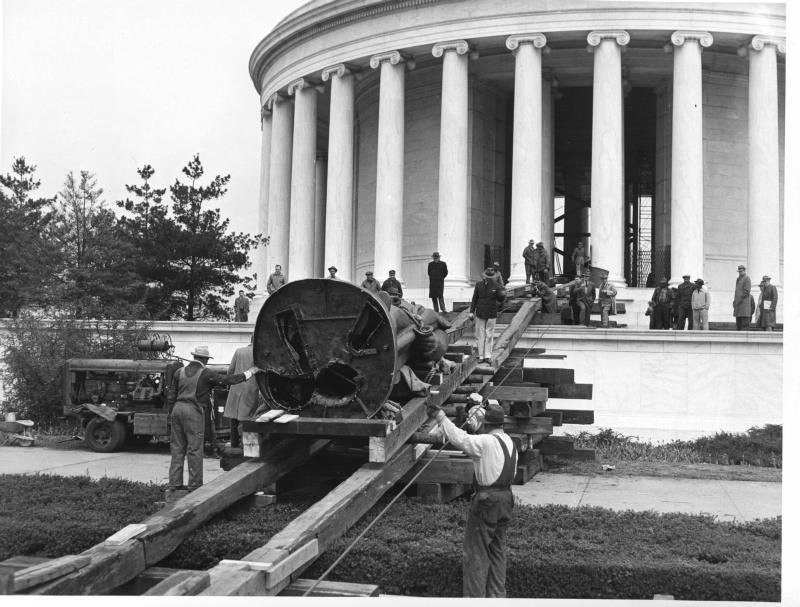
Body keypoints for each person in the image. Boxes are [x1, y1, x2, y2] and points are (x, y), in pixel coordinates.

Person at [426, 398, 518, 597]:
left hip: (487, 500)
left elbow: (460, 438)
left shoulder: (484, 442)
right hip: (506, 499)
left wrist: (441, 417)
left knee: (476, 552)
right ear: (502, 424)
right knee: (498, 550)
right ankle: (496, 597)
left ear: (486, 424)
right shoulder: (510, 442)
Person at [166, 345, 261, 491]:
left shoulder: (179, 372)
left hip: (177, 410)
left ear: (194, 357)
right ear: (205, 359)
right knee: (194, 449)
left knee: (177, 449)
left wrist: (169, 417)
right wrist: (250, 372)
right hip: (193, 411)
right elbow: (228, 380)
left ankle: (174, 484)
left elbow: (171, 395)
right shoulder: (206, 373)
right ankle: (194, 485)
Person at [223, 341, 260, 449]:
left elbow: (230, 371)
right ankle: (249, 447)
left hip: (236, 387)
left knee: (233, 418)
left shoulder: (239, 351)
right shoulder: (259, 353)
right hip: (251, 389)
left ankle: (234, 444)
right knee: (249, 419)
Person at [470, 267, 506, 364]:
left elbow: (500, 299)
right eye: (488, 277)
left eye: (491, 277)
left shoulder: (497, 286)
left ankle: (488, 356)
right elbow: (474, 299)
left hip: (491, 313)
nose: (489, 278)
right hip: (480, 313)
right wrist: (471, 312)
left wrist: (502, 295)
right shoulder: (478, 285)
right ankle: (481, 356)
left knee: (489, 335)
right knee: (480, 335)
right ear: (484, 276)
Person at [733, 264, 751, 330]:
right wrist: (735, 301)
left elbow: (746, 291)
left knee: (745, 325)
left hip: (744, 305)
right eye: (739, 271)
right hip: (738, 305)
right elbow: (737, 291)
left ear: (744, 271)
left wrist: (739, 300)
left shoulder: (747, 278)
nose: (740, 272)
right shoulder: (738, 279)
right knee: (738, 324)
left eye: (741, 271)